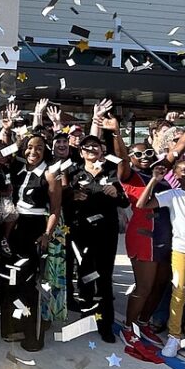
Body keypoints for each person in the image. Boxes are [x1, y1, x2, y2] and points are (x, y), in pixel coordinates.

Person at [63, 134, 129, 343]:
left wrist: (114, 194)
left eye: (95, 147)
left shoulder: (111, 170)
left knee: (104, 276)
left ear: (101, 150)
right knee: (84, 274)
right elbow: (62, 199)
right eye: (87, 147)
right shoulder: (73, 171)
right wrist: (72, 196)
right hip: (80, 231)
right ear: (81, 151)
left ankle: (105, 324)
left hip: (105, 232)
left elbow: (125, 202)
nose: (91, 150)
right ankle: (87, 313)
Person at [136, 158, 185, 358]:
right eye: (183, 170)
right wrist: (154, 181)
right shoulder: (172, 195)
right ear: (174, 173)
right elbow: (142, 204)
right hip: (182, 250)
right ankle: (174, 336)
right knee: (179, 291)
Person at [5, 134, 62, 351]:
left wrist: (47, 234)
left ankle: (34, 335)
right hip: (15, 226)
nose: (33, 152)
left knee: (32, 285)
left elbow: (55, 209)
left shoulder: (50, 174)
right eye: (29, 147)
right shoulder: (19, 169)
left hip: (35, 228)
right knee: (16, 281)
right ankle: (18, 326)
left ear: (45, 150)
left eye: (39, 148)